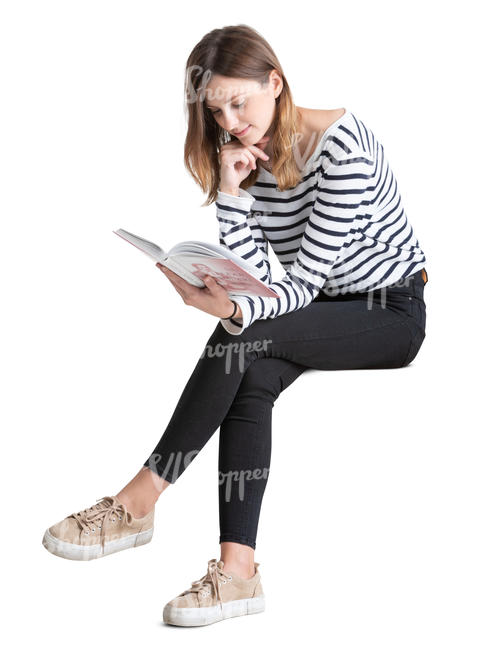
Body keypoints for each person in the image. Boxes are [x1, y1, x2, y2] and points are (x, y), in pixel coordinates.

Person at [42, 24, 428, 627]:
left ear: (275, 81)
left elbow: (293, 287)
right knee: (249, 370)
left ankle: (138, 500)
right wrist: (231, 191)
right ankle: (238, 574)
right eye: (216, 109)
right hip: (318, 309)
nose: (230, 121)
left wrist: (230, 310)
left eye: (239, 101)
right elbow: (265, 273)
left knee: (242, 334)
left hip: (389, 311)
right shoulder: (252, 156)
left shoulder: (341, 150)